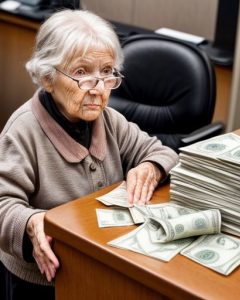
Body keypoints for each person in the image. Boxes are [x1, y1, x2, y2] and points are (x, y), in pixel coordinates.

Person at [0, 9, 178, 300]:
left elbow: (159, 151)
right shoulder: (21, 132)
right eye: (82, 73)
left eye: (107, 72)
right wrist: (31, 223)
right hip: (42, 282)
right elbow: (3, 203)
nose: (98, 89)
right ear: (47, 77)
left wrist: (150, 168)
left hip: (102, 265)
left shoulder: (110, 120)